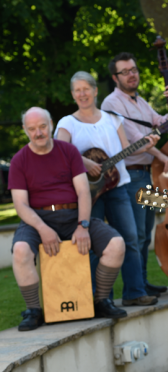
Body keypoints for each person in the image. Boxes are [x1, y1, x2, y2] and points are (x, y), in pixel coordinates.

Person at [9, 107, 128, 331]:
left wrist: (83, 225)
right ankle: (33, 311)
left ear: (51, 124)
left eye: (42, 127)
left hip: (74, 215)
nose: (39, 133)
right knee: (21, 250)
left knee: (116, 245)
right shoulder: (19, 160)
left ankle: (101, 301)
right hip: (37, 219)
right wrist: (43, 229)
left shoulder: (69, 151)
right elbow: (20, 205)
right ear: (25, 130)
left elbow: (84, 191)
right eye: (32, 129)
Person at [55, 71, 160, 306]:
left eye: (86, 89)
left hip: (118, 187)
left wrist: (147, 144)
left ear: (95, 91)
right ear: (73, 95)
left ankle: (134, 292)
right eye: (77, 90)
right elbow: (60, 151)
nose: (82, 94)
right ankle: (99, 298)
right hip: (88, 194)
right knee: (94, 244)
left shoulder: (112, 119)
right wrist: (85, 162)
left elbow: (127, 149)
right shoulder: (67, 123)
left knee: (130, 239)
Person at [101, 52, 168, 297]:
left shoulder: (139, 101)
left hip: (146, 175)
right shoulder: (111, 104)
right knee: (134, 236)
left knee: (144, 236)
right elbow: (135, 140)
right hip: (129, 175)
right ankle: (133, 290)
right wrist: (163, 157)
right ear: (115, 77)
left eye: (134, 69)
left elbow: (162, 122)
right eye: (125, 71)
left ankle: (142, 283)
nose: (131, 75)